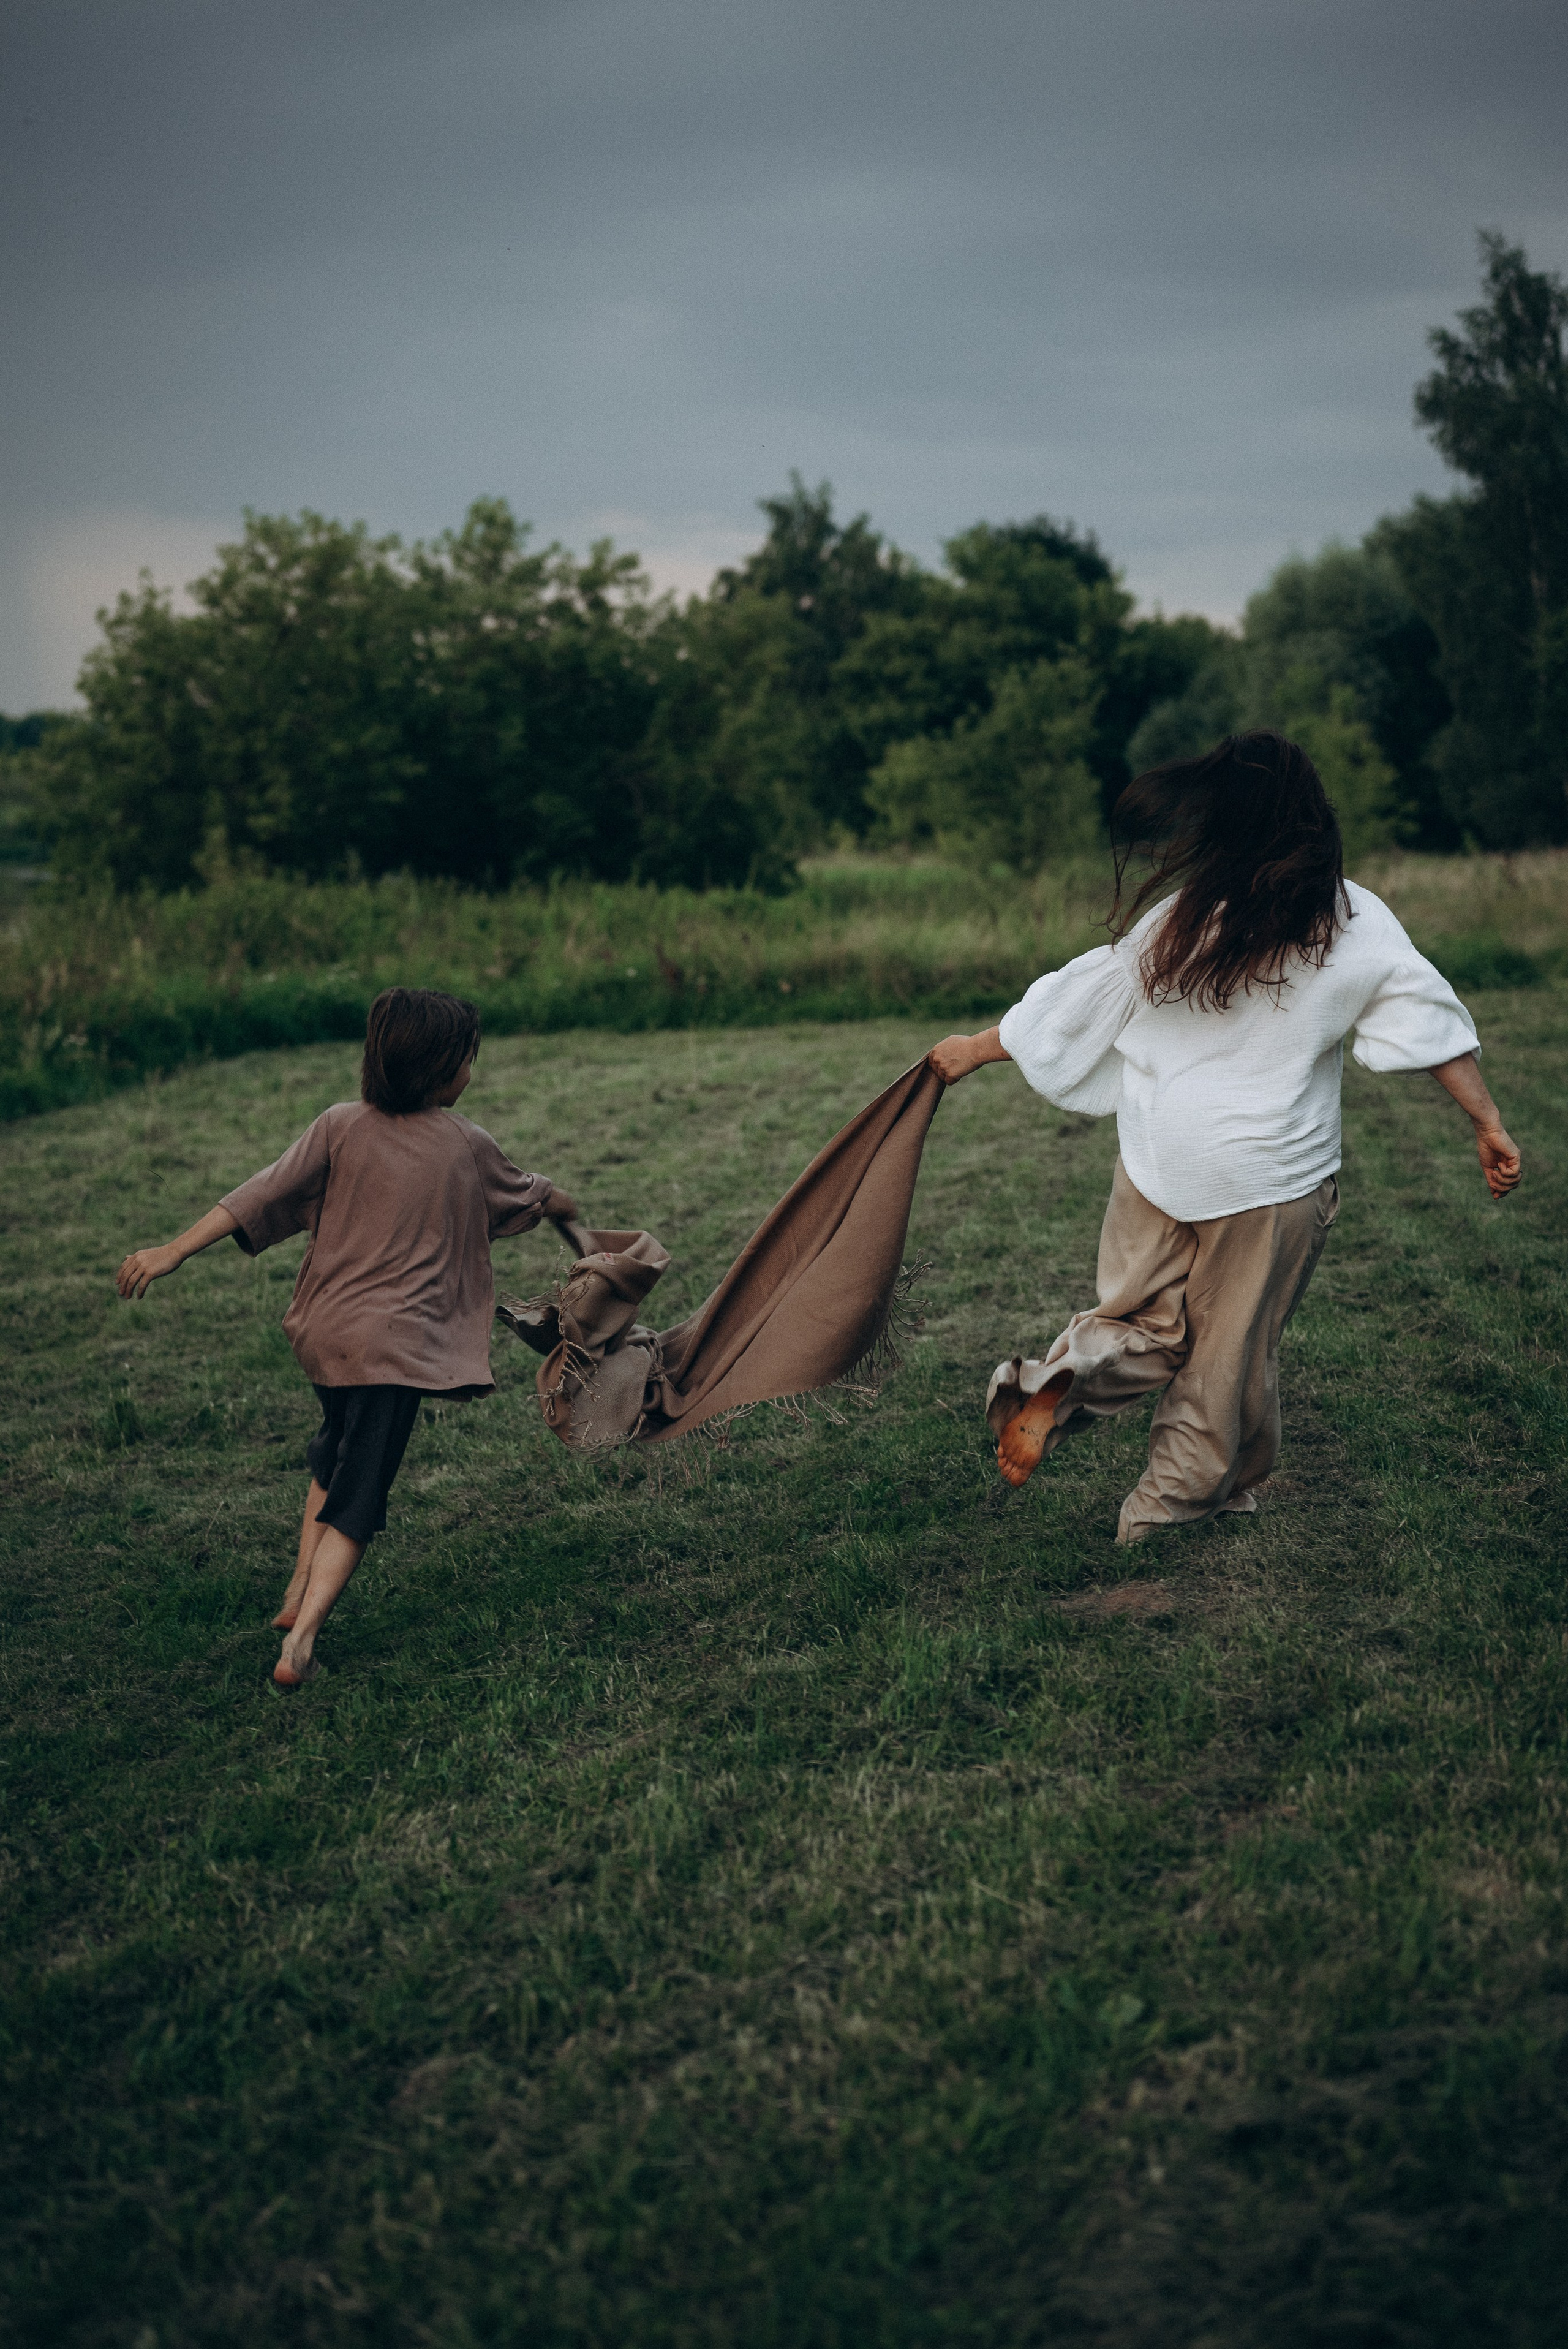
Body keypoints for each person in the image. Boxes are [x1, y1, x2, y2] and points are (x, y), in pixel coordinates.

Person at [927, 732, 1521, 1545]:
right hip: (1266, 1181)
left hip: (1159, 1159)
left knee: (1139, 1323)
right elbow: (1426, 1019)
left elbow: (1084, 995)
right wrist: (1485, 1119)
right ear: (1313, 820)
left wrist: (976, 1047)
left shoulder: (1183, 916)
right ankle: (1169, 1507)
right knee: (1225, 1359)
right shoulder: (1352, 917)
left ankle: (1054, 1386)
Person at [116, 988, 581, 1684]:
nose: (471, 1073)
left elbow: (259, 1193)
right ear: (441, 1068)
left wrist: (175, 1250)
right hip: (394, 1351)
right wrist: (586, 1233)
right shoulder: (467, 1144)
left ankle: (297, 1587)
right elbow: (541, 1196)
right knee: (360, 1494)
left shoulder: (338, 1124)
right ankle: (302, 1642)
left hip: (326, 1336)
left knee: (333, 1456)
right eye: (468, 1060)